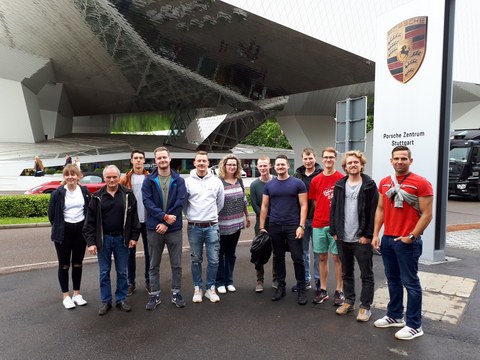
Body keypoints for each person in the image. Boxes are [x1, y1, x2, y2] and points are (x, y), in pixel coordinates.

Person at [372, 145, 433, 340]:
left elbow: (427, 214)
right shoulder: (384, 183)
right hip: (389, 239)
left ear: (410, 161)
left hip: (407, 242)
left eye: (403, 159)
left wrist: (412, 236)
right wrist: (376, 234)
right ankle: (394, 315)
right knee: (393, 280)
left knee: (411, 283)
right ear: (391, 161)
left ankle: (415, 325)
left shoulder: (421, 183)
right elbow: (380, 209)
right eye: (396, 158)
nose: (399, 162)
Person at [83, 165, 140, 316]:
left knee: (122, 271)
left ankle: (121, 299)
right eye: (108, 177)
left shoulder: (128, 195)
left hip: (122, 239)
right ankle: (106, 301)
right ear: (104, 178)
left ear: (118, 177)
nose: (112, 180)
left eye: (114, 176)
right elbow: (89, 222)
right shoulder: (97, 197)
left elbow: (134, 218)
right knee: (104, 272)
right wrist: (91, 242)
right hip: (103, 240)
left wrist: (134, 237)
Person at [330, 150, 378, 321]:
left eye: (356, 162)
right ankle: (349, 301)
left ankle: (365, 306)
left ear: (361, 164)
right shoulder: (339, 185)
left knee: (366, 274)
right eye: (349, 163)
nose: (353, 165)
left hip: (361, 238)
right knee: (346, 272)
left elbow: (374, 211)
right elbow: (334, 209)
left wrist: (368, 234)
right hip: (343, 238)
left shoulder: (370, 185)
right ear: (345, 166)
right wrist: (334, 232)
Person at [259, 155, 308, 305]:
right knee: (278, 257)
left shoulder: (298, 183)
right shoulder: (269, 185)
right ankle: (280, 287)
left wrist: (301, 225)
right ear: (274, 167)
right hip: (275, 225)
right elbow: (264, 206)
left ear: (288, 166)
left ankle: (301, 288)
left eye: (283, 164)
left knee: (297, 257)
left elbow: (304, 205)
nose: (280, 167)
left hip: (293, 226)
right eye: (278, 165)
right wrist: (262, 227)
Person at [142, 147, 186, 310]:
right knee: (153, 264)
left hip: (174, 228)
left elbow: (180, 201)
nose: (162, 160)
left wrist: (167, 222)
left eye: (164, 157)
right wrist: (163, 217)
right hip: (154, 228)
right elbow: (147, 202)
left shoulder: (179, 180)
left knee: (177, 264)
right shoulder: (149, 180)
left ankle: (176, 293)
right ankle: (154, 295)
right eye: (159, 158)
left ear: (169, 158)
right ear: (155, 161)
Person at [48, 164, 91, 309]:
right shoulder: (57, 193)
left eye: (73, 174)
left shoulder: (84, 192)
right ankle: (66, 296)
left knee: (78, 263)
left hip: (80, 231)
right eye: (67, 174)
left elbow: (89, 211)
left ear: (79, 176)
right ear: (64, 177)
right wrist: (61, 226)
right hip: (63, 232)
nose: (70, 177)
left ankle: (77, 294)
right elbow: (52, 216)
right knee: (64, 265)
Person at [184, 151, 225, 303]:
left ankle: (210, 288)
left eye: (204, 161)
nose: (201, 163)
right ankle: (197, 288)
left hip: (212, 227)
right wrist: (192, 216)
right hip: (194, 227)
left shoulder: (216, 182)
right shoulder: (187, 182)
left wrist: (210, 216)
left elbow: (220, 203)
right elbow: (184, 204)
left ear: (208, 163)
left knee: (214, 260)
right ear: (194, 163)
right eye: (199, 161)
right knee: (196, 260)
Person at [309, 147, 345, 305]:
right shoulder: (316, 180)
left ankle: (339, 290)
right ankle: (323, 290)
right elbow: (316, 202)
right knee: (322, 257)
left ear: (335, 159)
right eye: (326, 157)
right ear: (322, 159)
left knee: (337, 258)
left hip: (336, 226)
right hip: (318, 224)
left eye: (331, 157)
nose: (329, 160)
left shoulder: (341, 179)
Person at [215, 154, 250, 294]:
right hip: (221, 224)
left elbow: (244, 201)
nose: (232, 166)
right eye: (229, 164)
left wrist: (247, 216)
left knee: (231, 253)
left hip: (236, 224)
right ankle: (220, 282)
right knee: (220, 253)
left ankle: (229, 281)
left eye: (234, 165)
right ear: (224, 165)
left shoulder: (239, 181)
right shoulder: (219, 182)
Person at [120, 150, 151, 296]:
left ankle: (149, 280)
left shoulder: (150, 178)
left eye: (141, 158)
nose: (138, 160)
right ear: (131, 160)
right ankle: (130, 283)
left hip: (148, 220)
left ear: (144, 160)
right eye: (135, 158)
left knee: (149, 252)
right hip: (132, 222)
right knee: (129, 253)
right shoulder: (124, 179)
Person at [292, 148, 322, 292]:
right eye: (305, 158)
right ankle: (305, 281)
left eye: (310, 158)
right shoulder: (297, 175)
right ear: (302, 159)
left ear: (315, 158)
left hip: (318, 220)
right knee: (303, 253)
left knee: (318, 253)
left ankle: (318, 282)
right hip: (302, 221)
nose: (308, 161)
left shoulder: (322, 174)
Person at [250, 156, 277, 292]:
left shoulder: (276, 181)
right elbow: (254, 205)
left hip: (276, 223)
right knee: (259, 252)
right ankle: (259, 280)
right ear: (257, 167)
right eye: (260, 166)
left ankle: (276, 279)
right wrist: (264, 218)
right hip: (260, 225)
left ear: (270, 166)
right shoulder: (254, 185)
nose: (263, 168)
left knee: (276, 252)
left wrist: (273, 217)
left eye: (265, 165)